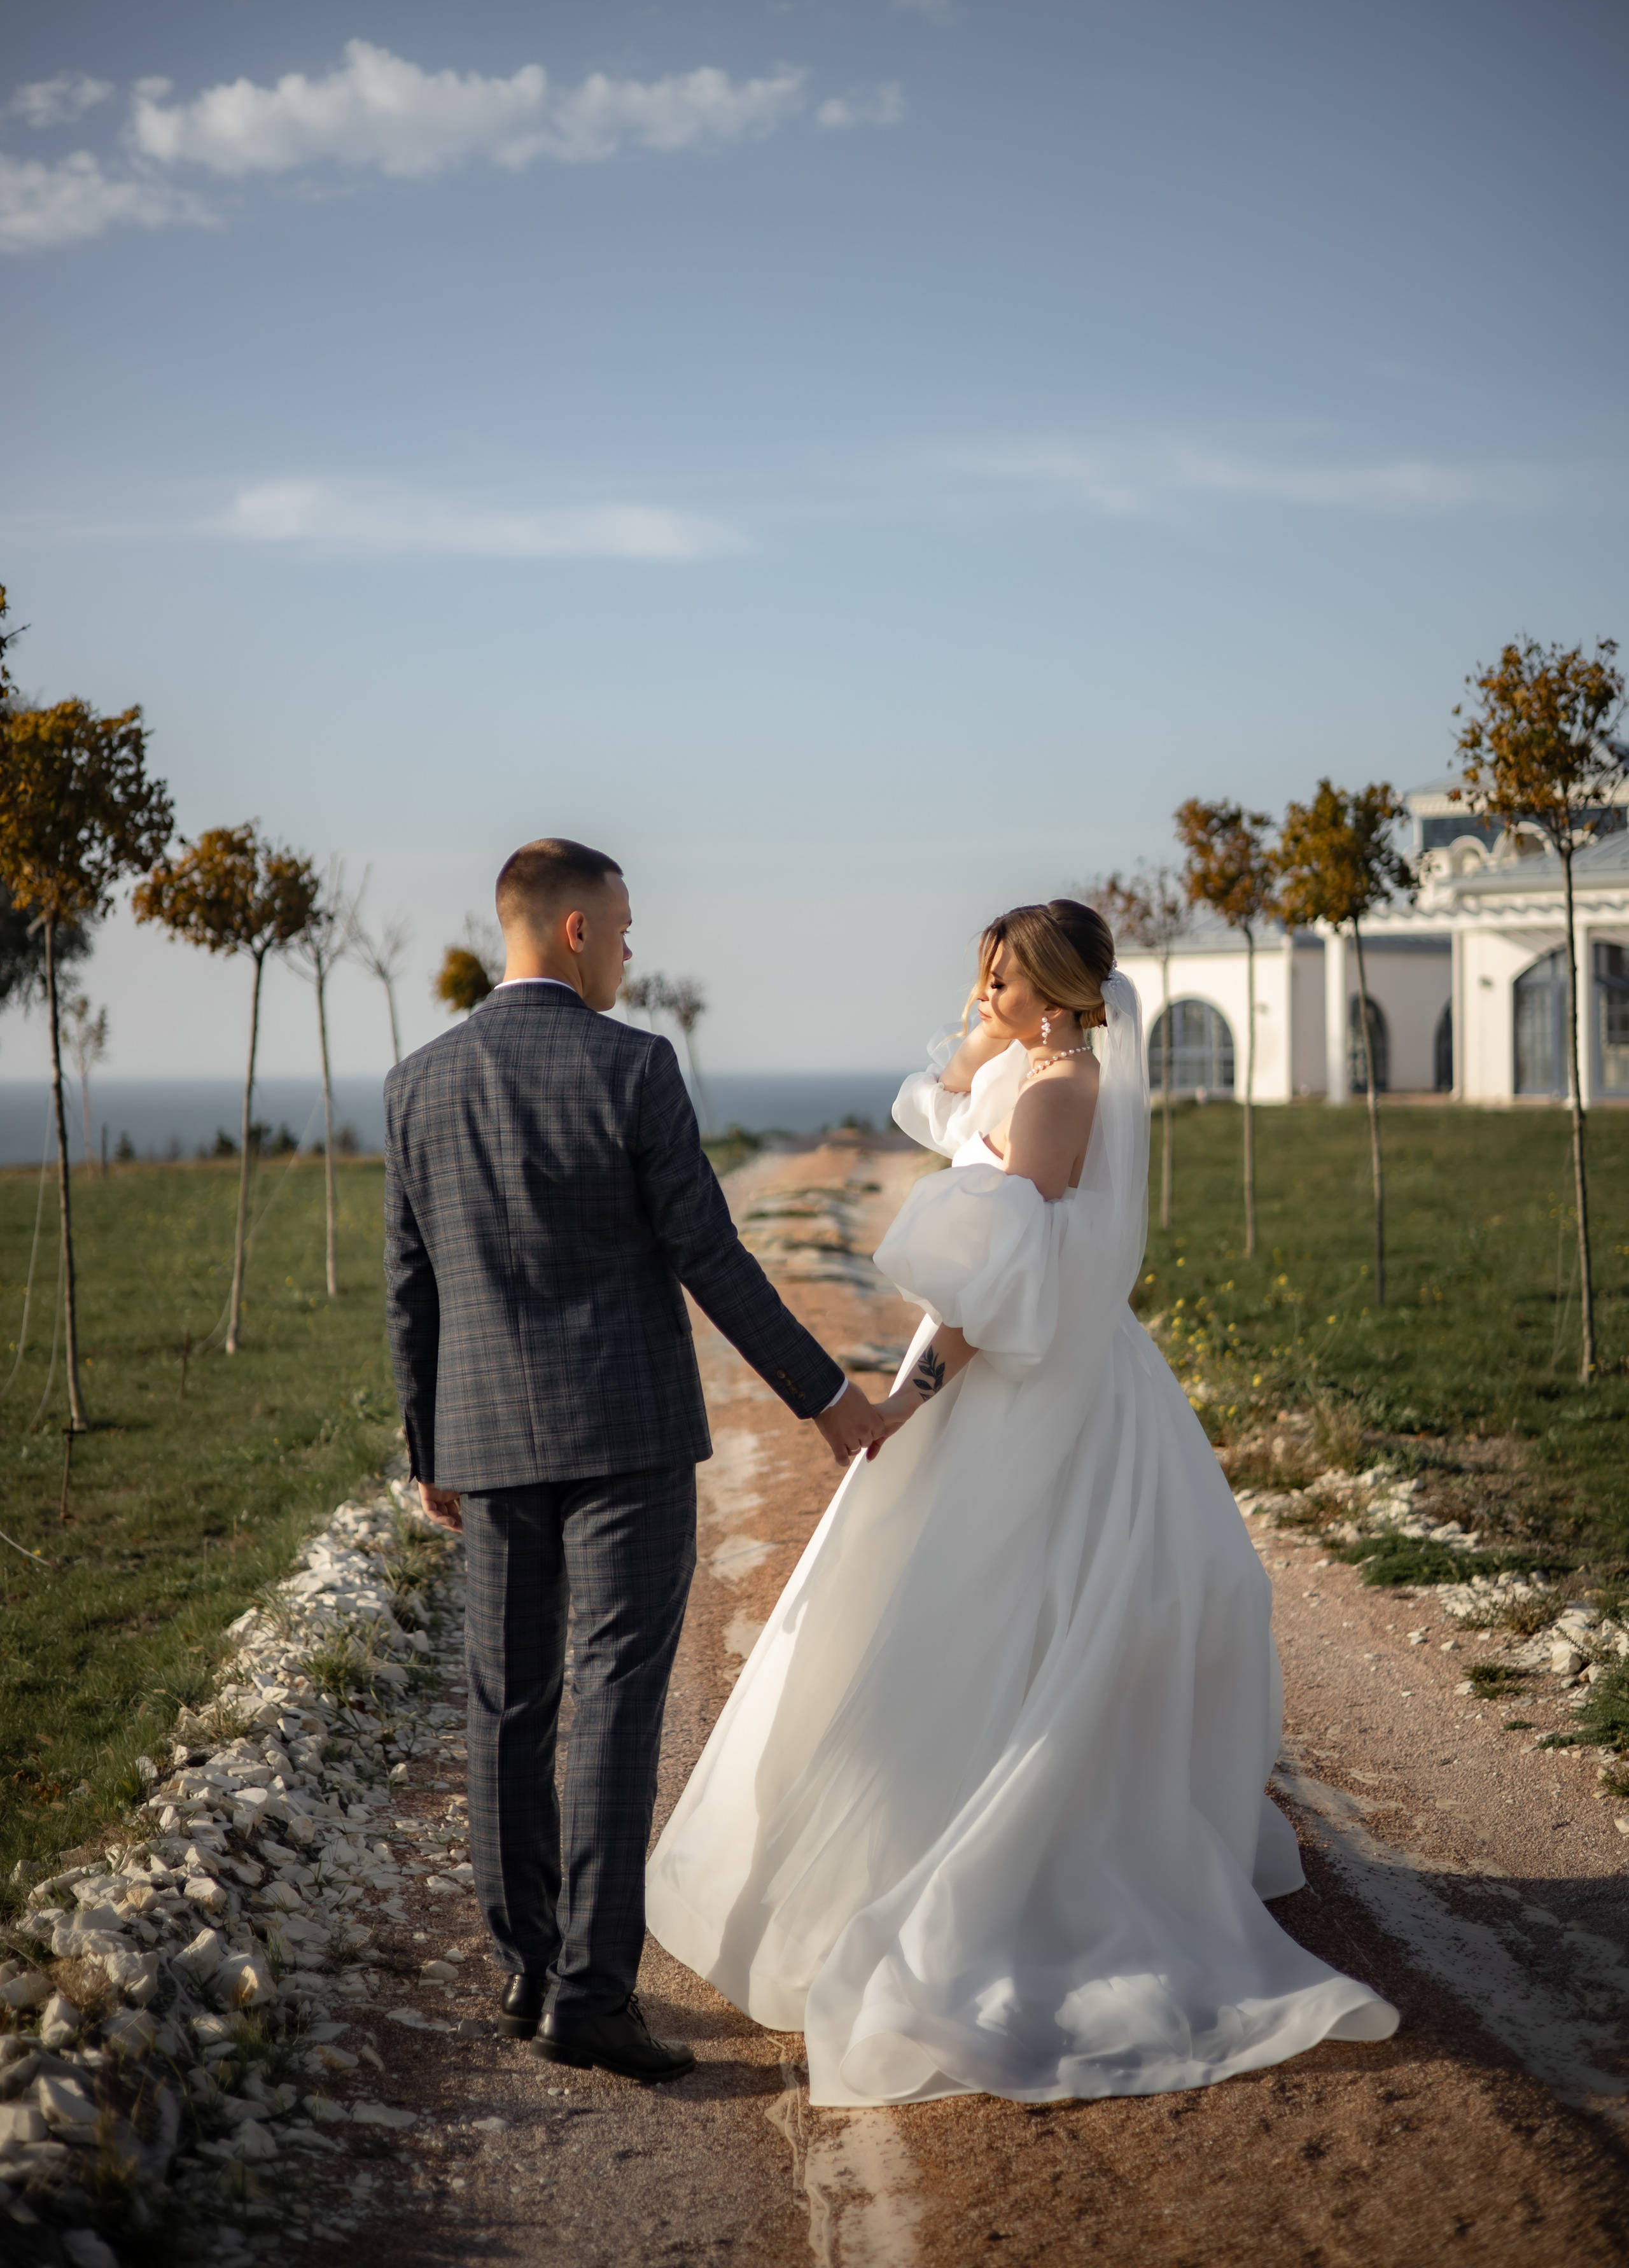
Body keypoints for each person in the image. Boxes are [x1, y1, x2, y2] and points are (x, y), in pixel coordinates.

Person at [647, 897, 1399, 2106]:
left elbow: (1003, 1285)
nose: (979, 997)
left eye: (999, 980)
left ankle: (1027, 1855)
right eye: (984, 976)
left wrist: (910, 1398)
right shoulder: (1031, 1068)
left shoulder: (1059, 1094)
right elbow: (942, 1102)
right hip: (1041, 1354)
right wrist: (982, 1036)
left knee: (996, 1607)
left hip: (1024, 1379)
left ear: (1052, 995)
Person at [384, 837, 888, 2085]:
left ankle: (526, 1969)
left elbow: (411, 1287)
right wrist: (829, 1400)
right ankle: (593, 1999)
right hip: (628, 1439)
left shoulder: (414, 1083)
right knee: (612, 1698)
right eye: (620, 927)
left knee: (508, 1703)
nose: (628, 948)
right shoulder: (634, 1066)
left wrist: (428, 1446)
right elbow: (708, 1252)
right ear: (572, 932)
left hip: (487, 1440)